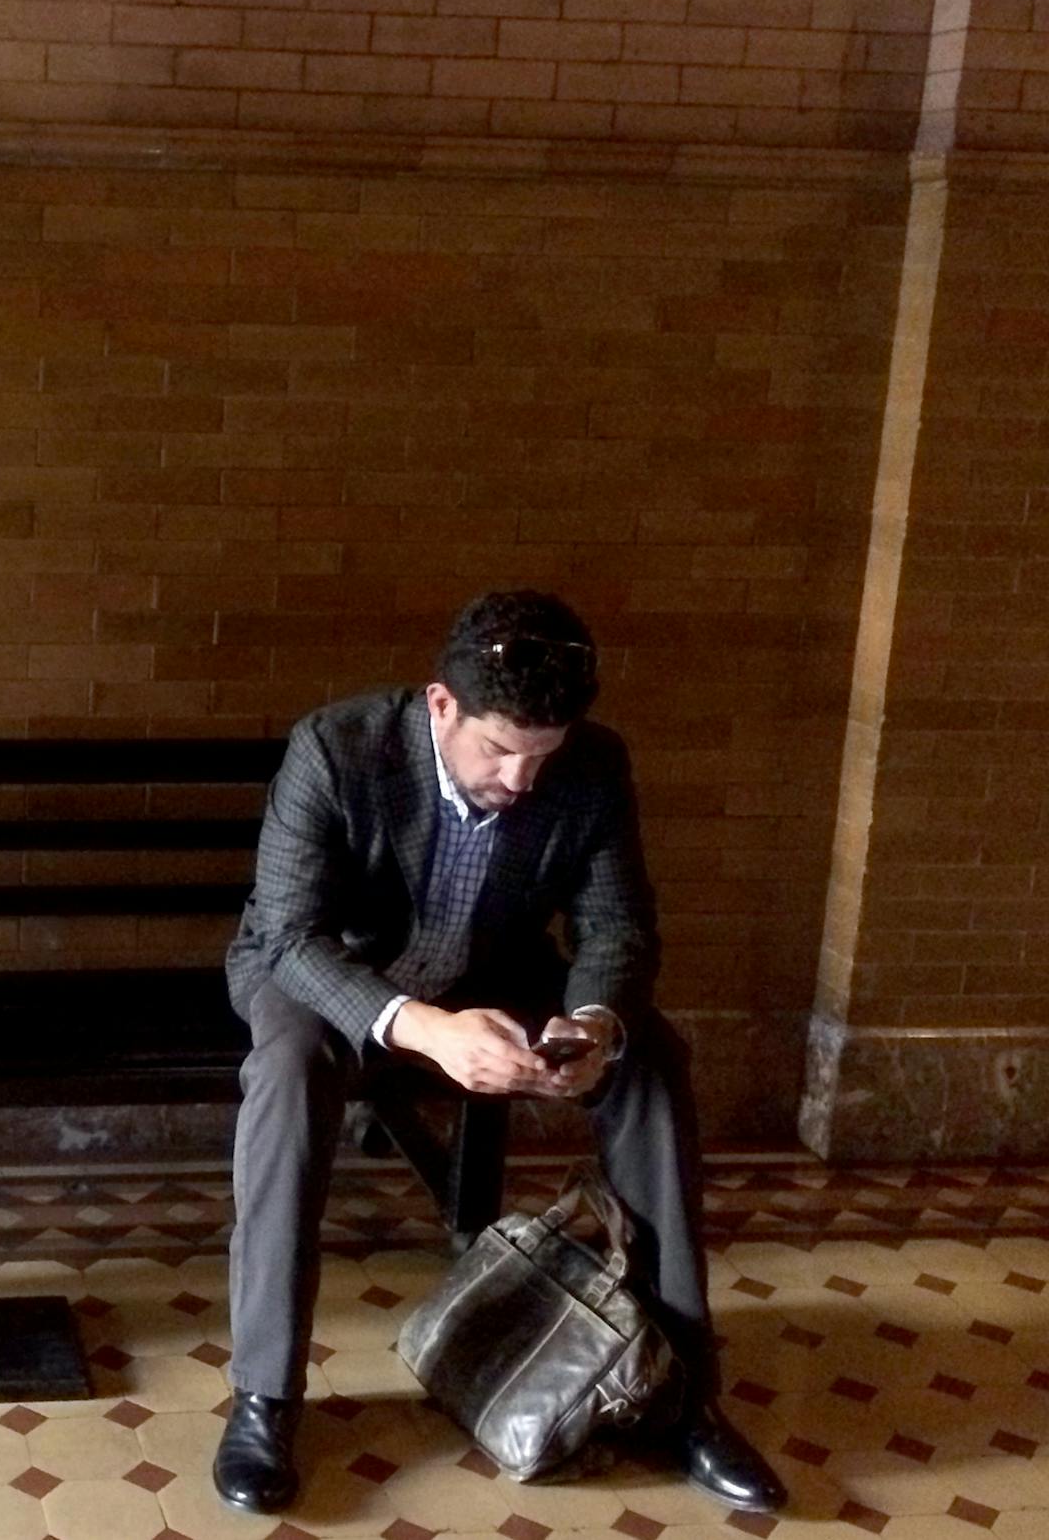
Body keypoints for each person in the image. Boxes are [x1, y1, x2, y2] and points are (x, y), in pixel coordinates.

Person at [211, 590, 786, 1516]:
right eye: (499, 750)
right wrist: (426, 1029)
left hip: (493, 972)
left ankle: (686, 1394)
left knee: (651, 1060)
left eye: (541, 756)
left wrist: (592, 1025)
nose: (522, 779)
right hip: (331, 976)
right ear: (442, 705)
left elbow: (616, 925)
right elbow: (285, 937)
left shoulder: (594, 768)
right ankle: (264, 1398)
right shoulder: (336, 746)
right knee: (284, 1073)